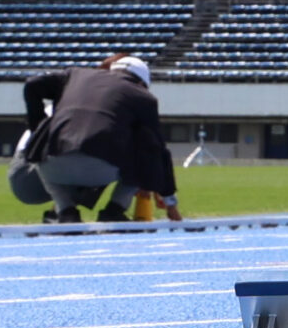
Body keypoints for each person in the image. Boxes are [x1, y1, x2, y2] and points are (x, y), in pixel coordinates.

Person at [20, 54, 175, 224]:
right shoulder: (142, 96)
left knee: (46, 137)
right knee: (144, 142)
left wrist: (38, 126)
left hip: (52, 169)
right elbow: (158, 150)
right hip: (101, 171)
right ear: (141, 83)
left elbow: (32, 84)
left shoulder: (74, 75)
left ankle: (66, 211)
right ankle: (114, 210)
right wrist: (170, 202)